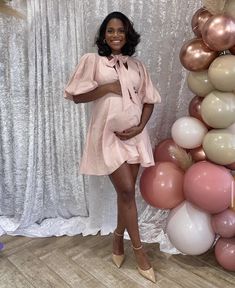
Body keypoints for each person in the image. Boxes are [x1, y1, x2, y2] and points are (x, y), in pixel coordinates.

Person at [64, 11, 161, 283]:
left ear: (128, 34)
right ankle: (139, 252)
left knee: (126, 195)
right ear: (103, 35)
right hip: (107, 136)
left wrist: (141, 127)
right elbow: (76, 96)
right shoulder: (93, 61)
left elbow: (149, 99)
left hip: (135, 136)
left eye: (120, 30)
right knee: (127, 190)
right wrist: (107, 87)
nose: (115, 35)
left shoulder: (138, 66)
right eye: (110, 30)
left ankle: (118, 238)